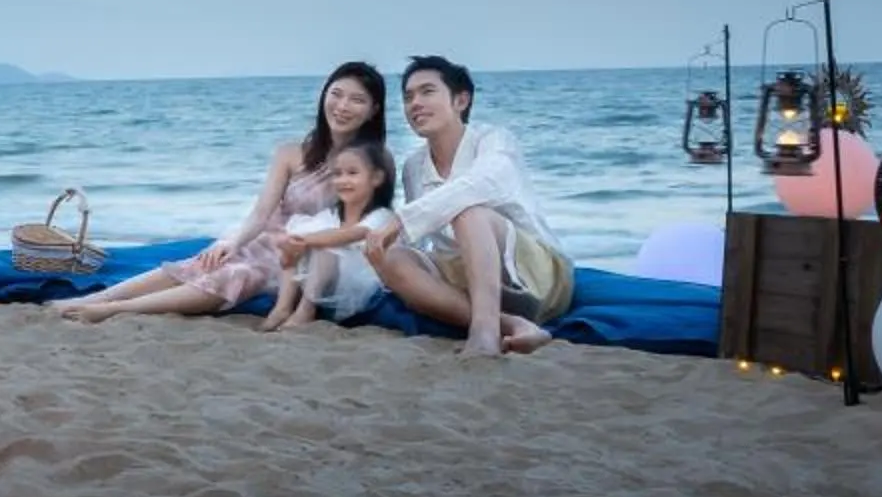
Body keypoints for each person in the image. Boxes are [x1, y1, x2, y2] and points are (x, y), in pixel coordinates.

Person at [55, 62, 387, 321]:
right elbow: (261, 213)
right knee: (204, 261)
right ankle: (96, 298)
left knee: (237, 275)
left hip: (309, 254)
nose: (342, 106)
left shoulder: (372, 164)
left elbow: (363, 224)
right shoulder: (291, 152)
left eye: (356, 100)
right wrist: (232, 242)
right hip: (265, 239)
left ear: (373, 110)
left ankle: (113, 311)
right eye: (336, 94)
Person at [362, 55, 575, 357]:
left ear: (461, 101)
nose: (415, 103)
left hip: (535, 275)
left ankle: (485, 334)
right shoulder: (413, 166)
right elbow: (423, 241)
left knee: (468, 212)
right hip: (467, 280)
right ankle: (511, 324)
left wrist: (399, 221)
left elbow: (480, 184)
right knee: (391, 255)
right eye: (408, 97)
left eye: (427, 92)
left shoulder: (494, 140)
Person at [258, 140, 401, 333]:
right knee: (298, 244)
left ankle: (306, 310)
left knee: (324, 248)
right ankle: (282, 307)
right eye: (338, 174)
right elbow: (304, 240)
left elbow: (349, 235)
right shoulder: (331, 215)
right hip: (322, 282)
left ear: (376, 178)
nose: (343, 180)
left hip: (357, 283)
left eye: (352, 173)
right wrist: (292, 246)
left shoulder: (382, 216)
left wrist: (303, 241)